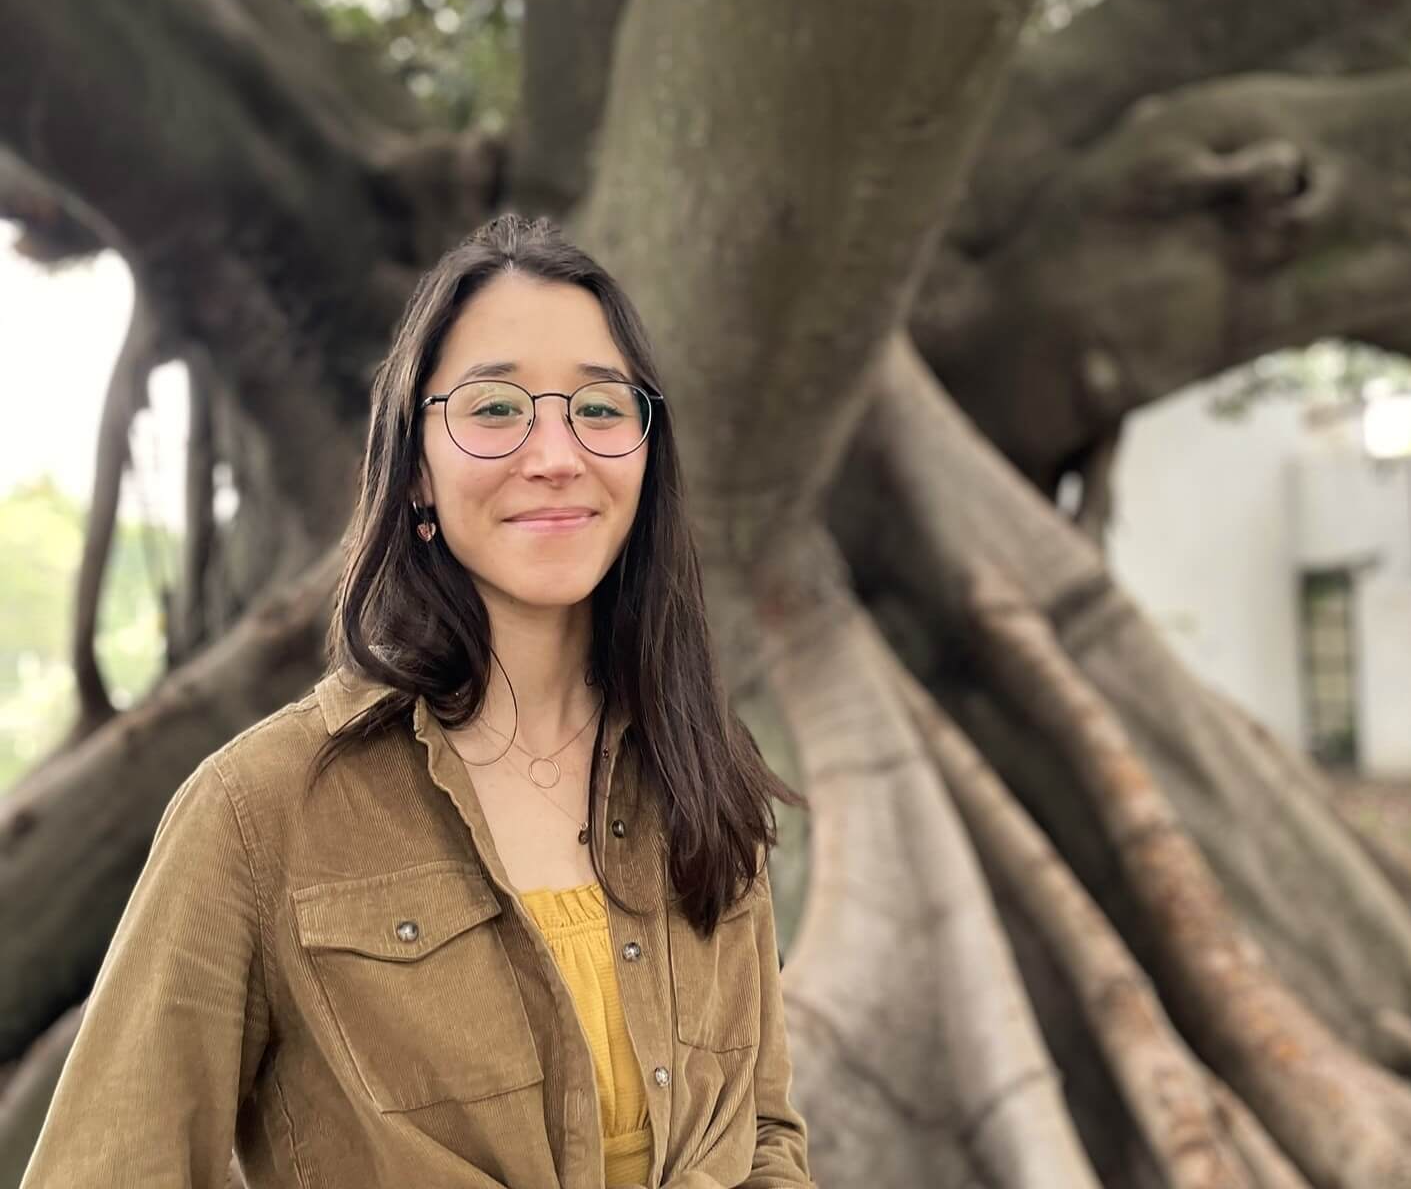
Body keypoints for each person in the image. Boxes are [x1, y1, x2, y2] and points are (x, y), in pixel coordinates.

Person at [21, 213, 816, 1189]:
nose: (556, 453)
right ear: (415, 478)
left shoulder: (701, 772)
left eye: (600, 409)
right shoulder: (259, 813)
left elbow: (766, 1140)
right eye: (495, 409)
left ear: (646, 460)